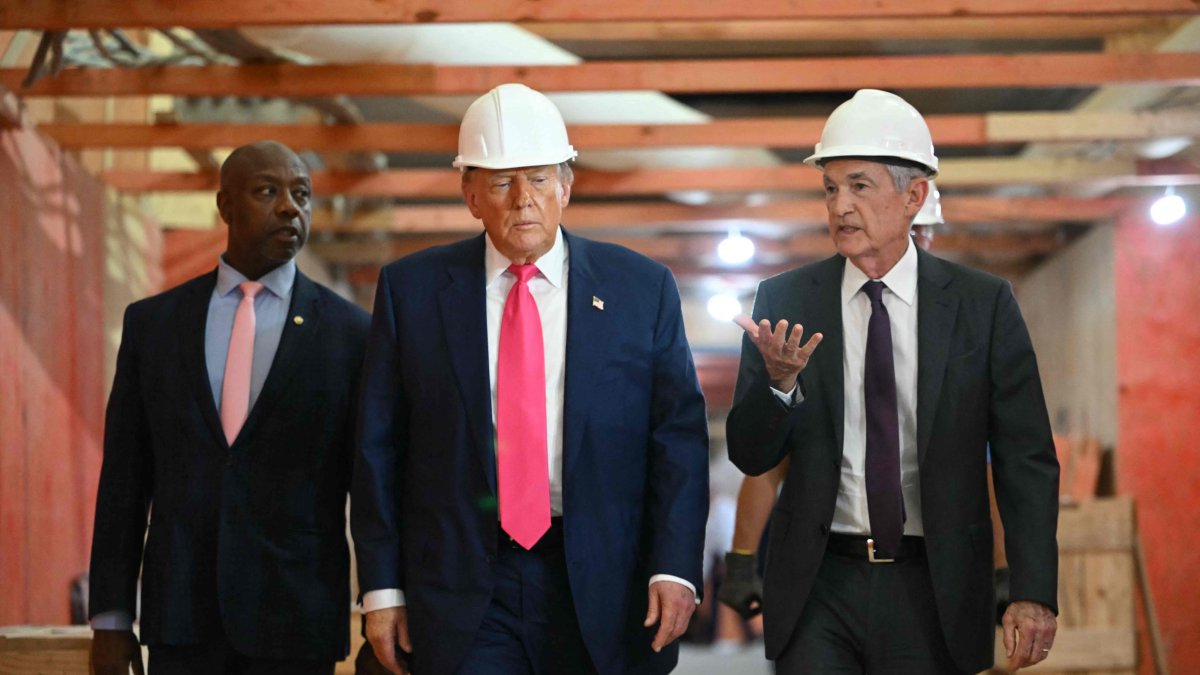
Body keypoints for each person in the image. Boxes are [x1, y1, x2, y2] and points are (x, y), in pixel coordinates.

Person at [351, 83, 709, 675]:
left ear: (566, 186)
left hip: (601, 580)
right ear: (470, 194)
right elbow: (378, 450)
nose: (523, 200)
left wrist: (674, 566)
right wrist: (383, 591)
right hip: (462, 583)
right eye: (500, 182)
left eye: (539, 179)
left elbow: (678, 439)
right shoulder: (410, 292)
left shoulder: (640, 290)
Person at [726, 89, 1059, 674]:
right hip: (817, 583)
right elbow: (751, 454)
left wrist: (1030, 588)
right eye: (830, 188)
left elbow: (1024, 457)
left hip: (933, 582)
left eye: (859, 185)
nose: (840, 206)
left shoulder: (982, 305)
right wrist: (778, 386)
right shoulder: (785, 301)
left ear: (914, 196)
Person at [88, 141, 370, 675]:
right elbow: (124, 481)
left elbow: (374, 485)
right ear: (225, 207)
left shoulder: (352, 334)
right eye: (268, 191)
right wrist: (110, 617)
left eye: (302, 194)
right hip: (181, 617)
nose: (290, 207)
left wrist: (382, 600)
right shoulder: (153, 325)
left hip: (298, 621)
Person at [718, 181, 943, 621]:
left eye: (920, 233)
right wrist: (741, 559)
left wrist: (1003, 571)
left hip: (927, 567)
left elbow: (986, 468)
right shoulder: (811, 319)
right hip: (824, 568)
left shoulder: (957, 322)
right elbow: (768, 464)